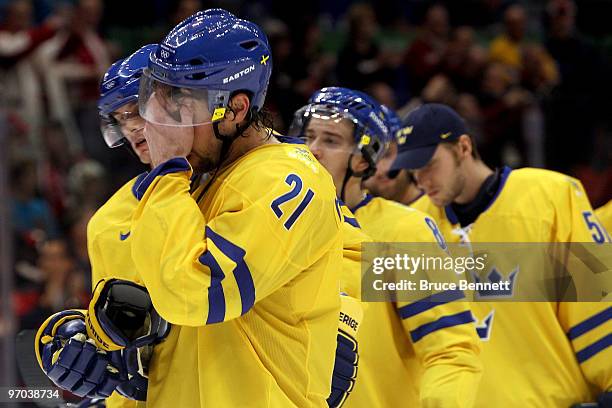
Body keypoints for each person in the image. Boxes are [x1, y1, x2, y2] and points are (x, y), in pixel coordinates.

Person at [36, 9, 345, 407]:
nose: (154, 126)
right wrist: (78, 338)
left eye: (179, 107)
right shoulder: (184, 184)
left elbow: (195, 295)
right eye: (156, 101)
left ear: (233, 110)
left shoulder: (287, 179)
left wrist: (351, 318)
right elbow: (131, 309)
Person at [389, 103, 612, 407]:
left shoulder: (550, 196)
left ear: (463, 147)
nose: (422, 181)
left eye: (429, 165)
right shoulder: (413, 229)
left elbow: (595, 301)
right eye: (413, 172)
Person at [293, 87, 482, 407]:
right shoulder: (281, 222)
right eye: (310, 136)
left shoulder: (403, 232)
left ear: (365, 159)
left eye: (331, 140)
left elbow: (449, 350)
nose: (313, 150)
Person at [362, 106, 423, 205]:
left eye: (387, 155)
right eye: (369, 160)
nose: (380, 171)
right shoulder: (351, 213)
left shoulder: (441, 205)